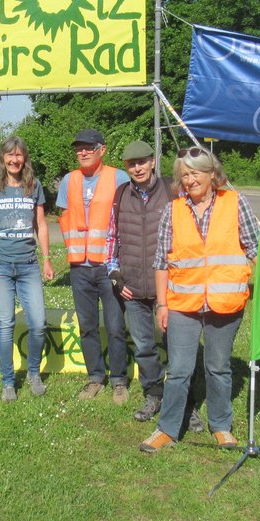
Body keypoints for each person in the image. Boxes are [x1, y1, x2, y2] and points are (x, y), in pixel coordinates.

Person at [140, 147, 260, 453]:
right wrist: (162, 305)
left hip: (225, 303)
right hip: (183, 305)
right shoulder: (173, 210)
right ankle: (167, 429)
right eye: (184, 175)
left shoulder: (235, 202)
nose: (189, 180)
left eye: (195, 173)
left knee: (218, 367)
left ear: (211, 174)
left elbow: (256, 248)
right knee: (179, 370)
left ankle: (221, 426)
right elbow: (161, 261)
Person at [0, 136, 55, 401]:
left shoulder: (34, 186)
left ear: (25, 159)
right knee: (5, 324)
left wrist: (46, 258)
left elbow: (41, 225)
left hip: (28, 265)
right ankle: (8, 381)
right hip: (0, 266)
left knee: (38, 323)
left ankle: (33, 373)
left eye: (19, 155)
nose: (14, 160)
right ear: (3, 158)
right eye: (10, 155)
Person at [57, 128, 130, 402]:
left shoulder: (119, 178)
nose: (83, 152)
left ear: (102, 150)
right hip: (79, 268)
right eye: (79, 148)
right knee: (87, 326)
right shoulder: (69, 180)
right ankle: (95, 378)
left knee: (115, 326)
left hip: (108, 266)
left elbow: (127, 217)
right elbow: (65, 217)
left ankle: (119, 380)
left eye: (88, 147)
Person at [105, 140, 173, 422]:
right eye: (132, 164)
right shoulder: (121, 194)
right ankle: (153, 395)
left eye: (142, 162)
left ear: (152, 161)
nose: (138, 168)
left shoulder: (171, 190)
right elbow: (112, 236)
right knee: (144, 347)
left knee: (177, 347)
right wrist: (114, 274)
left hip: (168, 287)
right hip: (132, 288)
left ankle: (184, 401)